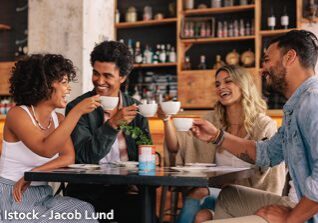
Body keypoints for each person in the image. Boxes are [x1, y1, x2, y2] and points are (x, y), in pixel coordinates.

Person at [191, 30, 318, 223]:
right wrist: (217, 136)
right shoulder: (296, 106)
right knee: (229, 195)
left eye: (267, 59)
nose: (262, 69)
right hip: (300, 203)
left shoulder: (313, 101)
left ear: (290, 57)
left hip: (308, 214)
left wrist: (290, 218)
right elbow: (267, 154)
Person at [158, 65, 286, 223]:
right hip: (218, 191)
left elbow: (271, 174)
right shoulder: (212, 121)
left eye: (228, 81)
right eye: (217, 84)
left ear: (243, 85)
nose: (221, 87)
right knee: (199, 203)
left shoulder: (263, 125)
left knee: (201, 210)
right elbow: (176, 147)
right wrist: (166, 120)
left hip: (252, 194)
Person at [0, 54, 100, 222]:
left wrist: (33, 173)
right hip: (13, 195)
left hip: (43, 195)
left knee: (84, 210)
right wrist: (77, 111)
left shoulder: (59, 119)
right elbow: (46, 149)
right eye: (63, 82)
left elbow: (68, 157)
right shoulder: (18, 114)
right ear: (45, 84)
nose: (68, 88)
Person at [64, 41, 150, 222]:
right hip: (90, 191)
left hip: (129, 191)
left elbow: (146, 155)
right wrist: (111, 125)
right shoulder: (78, 108)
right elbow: (85, 156)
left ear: (123, 77)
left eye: (107, 76)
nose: (99, 81)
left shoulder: (137, 110)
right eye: (96, 73)